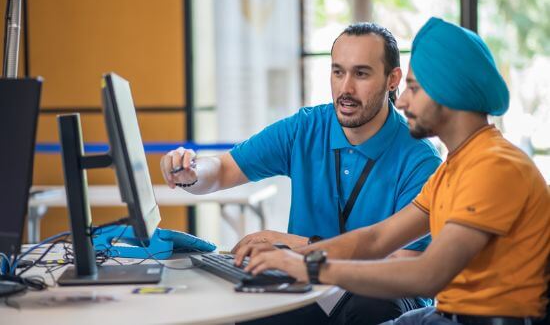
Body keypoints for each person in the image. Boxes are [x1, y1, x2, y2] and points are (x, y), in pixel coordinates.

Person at [238, 17, 550, 324]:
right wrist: (295, 258)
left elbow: (428, 274)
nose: (401, 101)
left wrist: (311, 268)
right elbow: (376, 241)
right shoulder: (455, 167)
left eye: (413, 88)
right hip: (445, 315)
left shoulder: (493, 167)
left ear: (449, 93)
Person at [161, 23, 441, 323]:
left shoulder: (420, 160)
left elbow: (403, 265)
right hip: (307, 285)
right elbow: (223, 170)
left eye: (361, 74)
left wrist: (298, 247)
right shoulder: (305, 129)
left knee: (370, 306)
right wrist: (190, 172)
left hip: (380, 295)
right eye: (337, 72)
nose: (345, 88)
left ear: (392, 79)